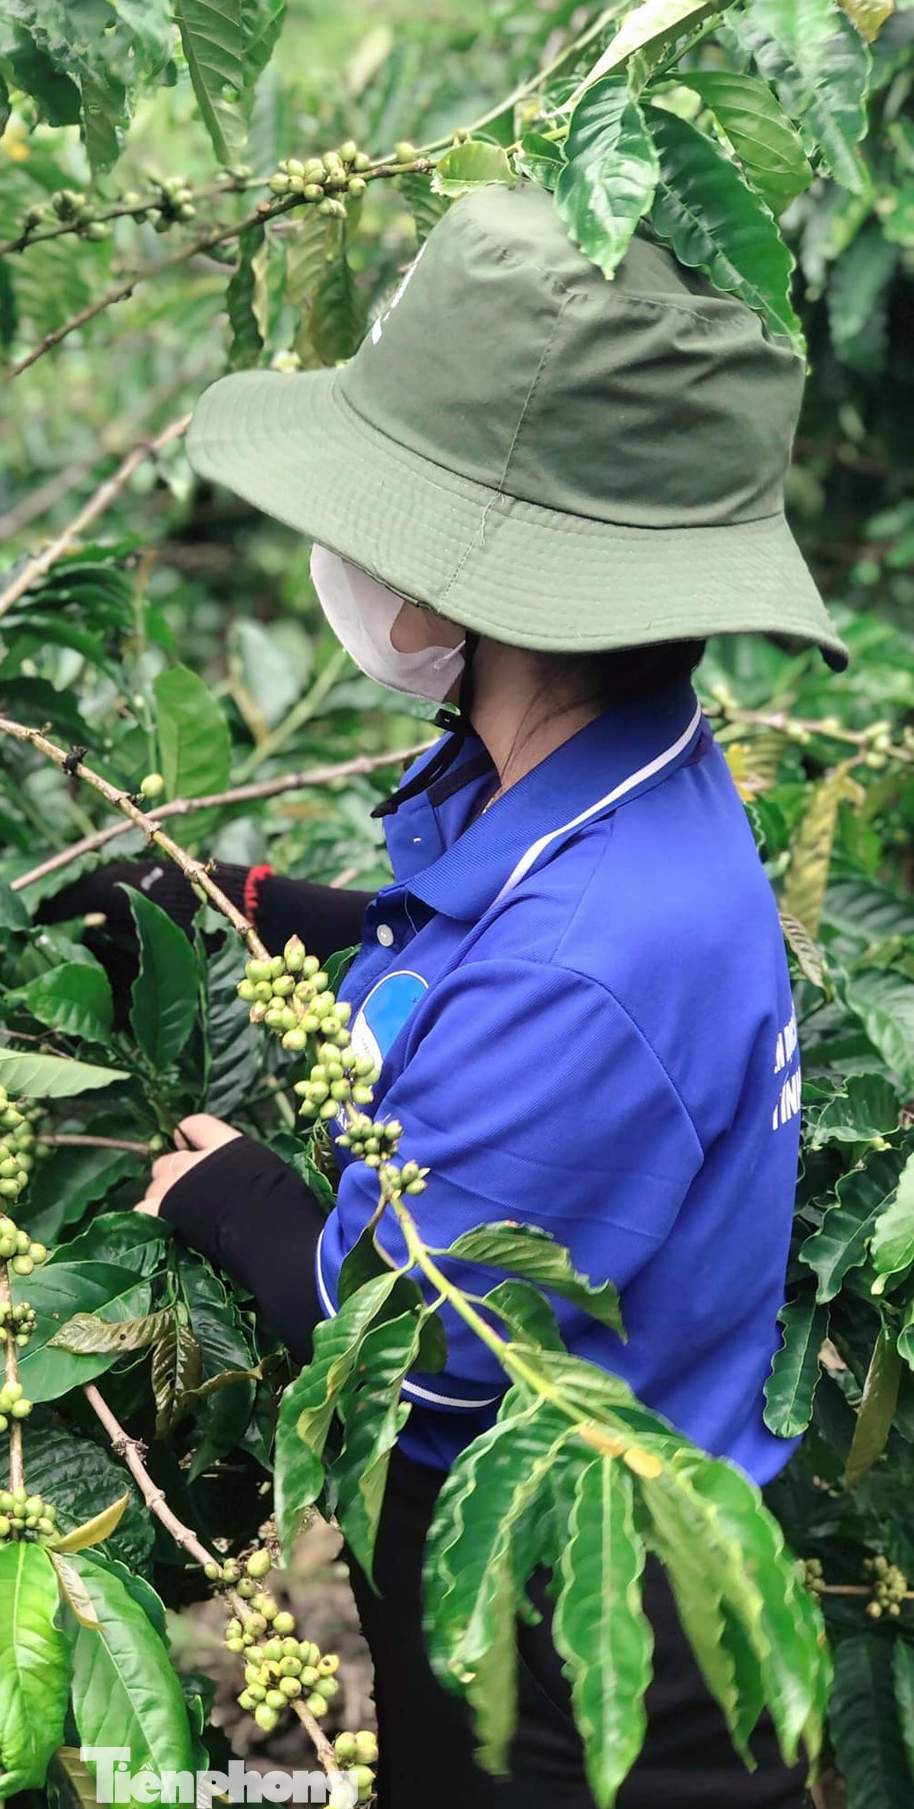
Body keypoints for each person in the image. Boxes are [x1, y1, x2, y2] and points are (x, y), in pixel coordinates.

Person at [43, 184, 846, 1807]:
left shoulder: (587, 962)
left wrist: (236, 1196)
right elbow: (488, 977)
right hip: (541, 1595)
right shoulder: (619, 784)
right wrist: (258, 912)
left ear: (455, 590)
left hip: (579, 1671)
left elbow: (411, 1340)